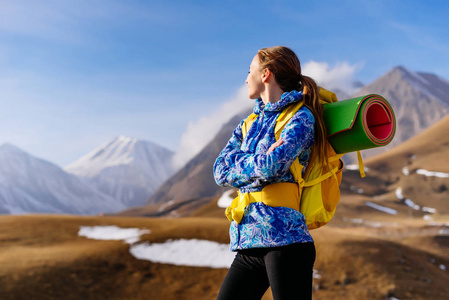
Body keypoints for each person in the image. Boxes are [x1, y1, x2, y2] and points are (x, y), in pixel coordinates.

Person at [213, 46, 329, 300]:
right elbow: (219, 171)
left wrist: (243, 162)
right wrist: (261, 159)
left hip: (286, 241)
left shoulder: (301, 117)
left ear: (266, 74)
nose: (246, 78)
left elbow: (272, 167)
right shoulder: (248, 123)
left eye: (249, 71)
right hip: (250, 244)